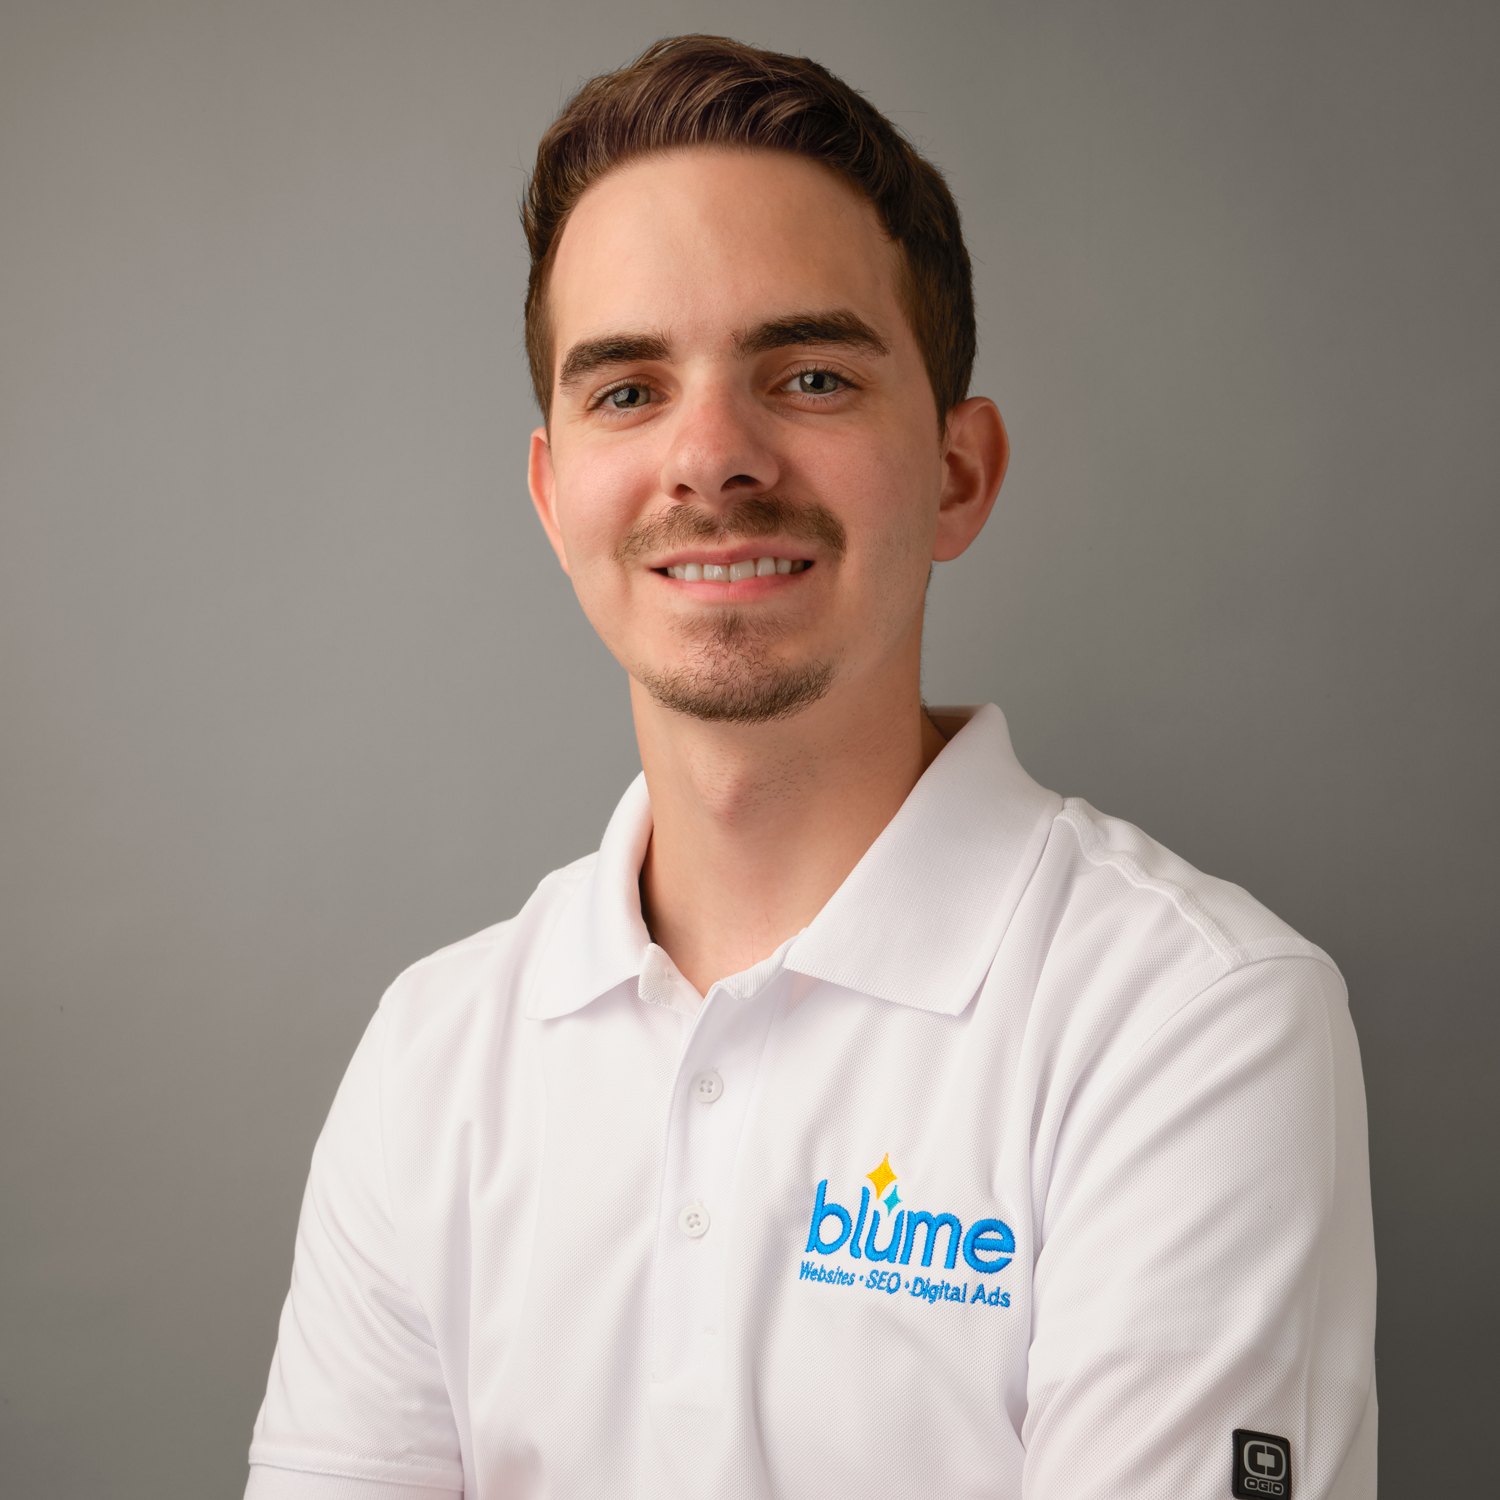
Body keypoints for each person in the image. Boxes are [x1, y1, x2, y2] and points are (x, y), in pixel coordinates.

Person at [244, 35, 1376, 1500]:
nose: (710, 458)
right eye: (628, 391)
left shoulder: (1188, 1024)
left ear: (959, 473)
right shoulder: (431, 1061)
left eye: (811, 373)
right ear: (553, 495)